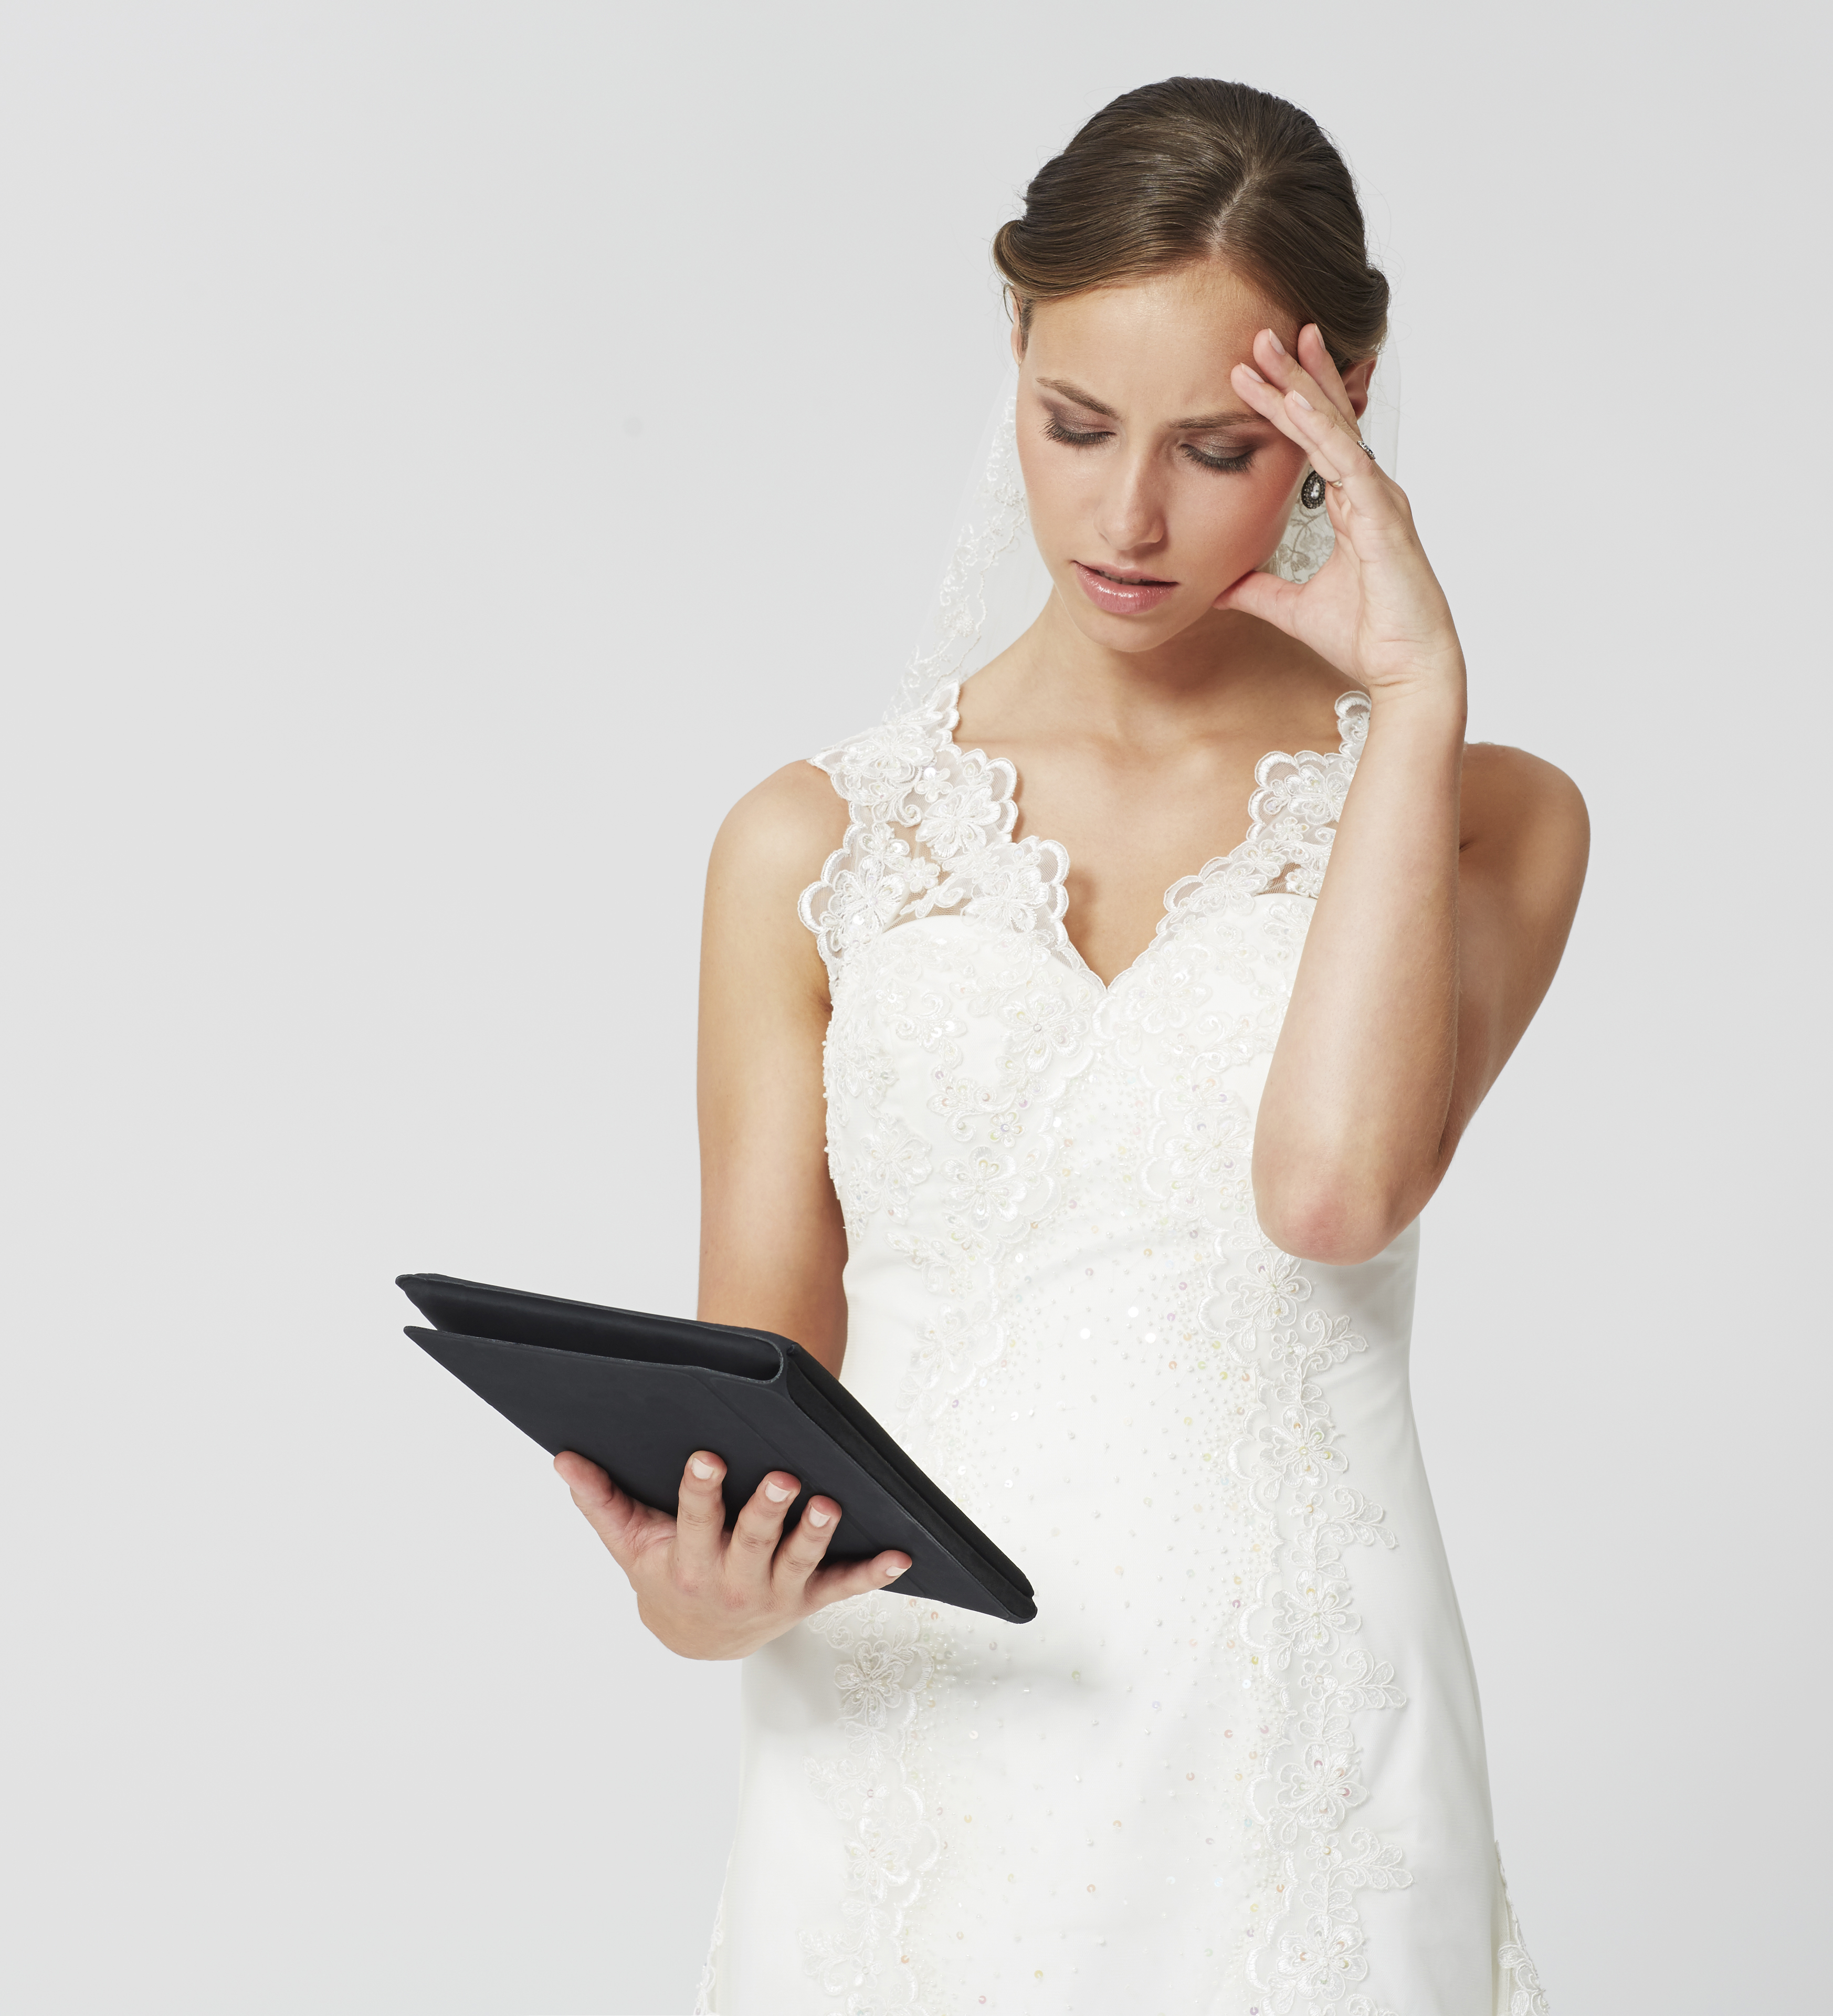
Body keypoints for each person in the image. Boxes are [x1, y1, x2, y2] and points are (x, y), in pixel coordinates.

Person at [554, 76, 1588, 2014]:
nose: (1125, 516)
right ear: (1010, 346)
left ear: (1343, 396)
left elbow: (1333, 1193)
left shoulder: (1486, 812)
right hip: (912, 1753)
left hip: (1289, 1744)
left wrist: (1413, 685)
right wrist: (688, 1592)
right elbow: (757, 1399)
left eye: (1214, 447)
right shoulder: (816, 845)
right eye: (1074, 423)